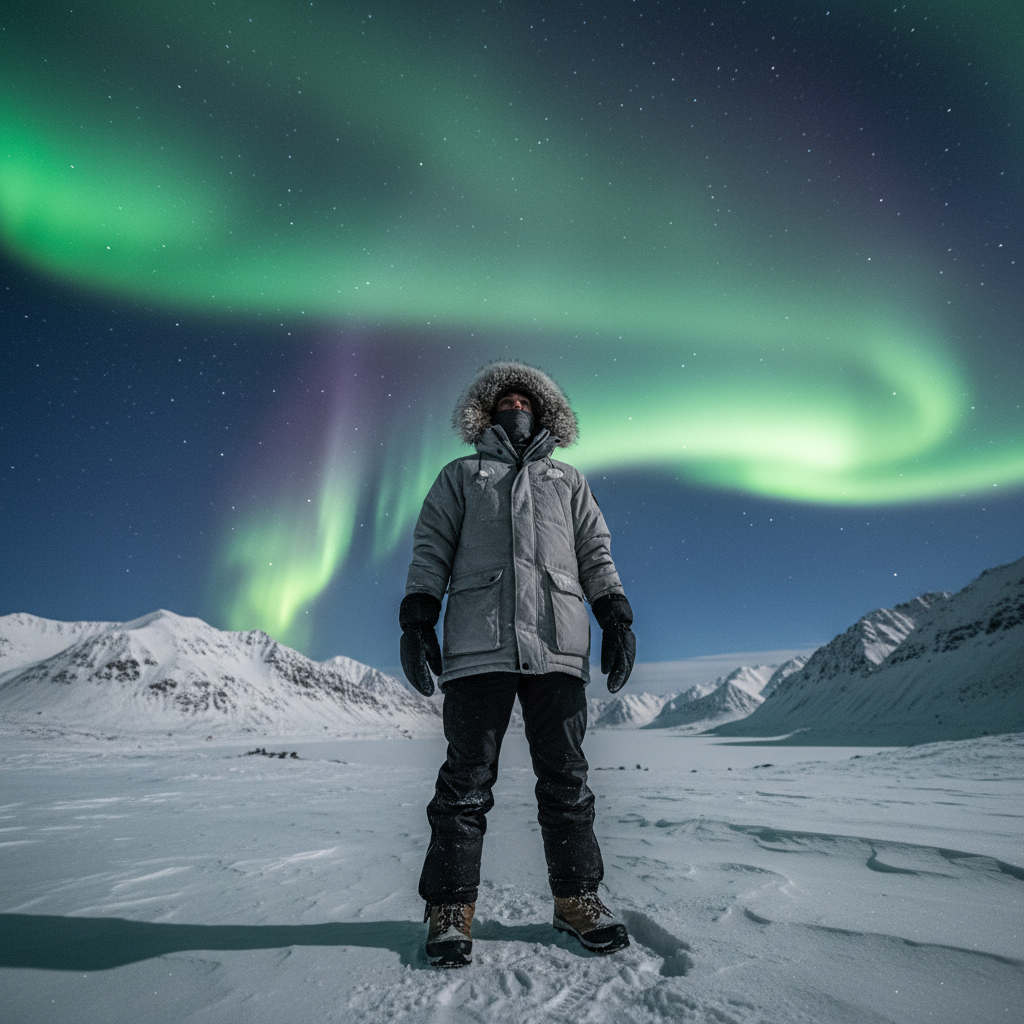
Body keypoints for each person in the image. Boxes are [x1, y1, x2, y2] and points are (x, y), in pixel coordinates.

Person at [399, 360, 636, 967]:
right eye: (504, 402)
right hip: (480, 646)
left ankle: (576, 898)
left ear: (544, 413)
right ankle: (450, 908)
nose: (515, 408)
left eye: (525, 402)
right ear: (486, 413)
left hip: (558, 647)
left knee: (567, 781)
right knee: (465, 784)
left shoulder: (569, 482)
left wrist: (615, 614)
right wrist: (418, 616)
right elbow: (431, 548)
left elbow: (595, 552)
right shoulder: (461, 476)